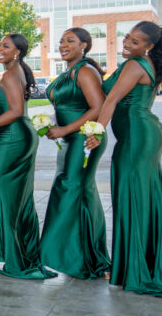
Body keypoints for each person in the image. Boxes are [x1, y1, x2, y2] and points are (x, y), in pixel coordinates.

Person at [85, 21, 162, 300]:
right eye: (127, 38)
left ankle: (137, 269)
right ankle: (141, 264)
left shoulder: (135, 65)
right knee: (144, 198)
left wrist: (97, 131)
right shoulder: (139, 63)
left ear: (149, 46)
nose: (126, 43)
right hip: (143, 134)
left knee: (132, 198)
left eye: (135, 42)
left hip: (137, 138)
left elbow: (111, 101)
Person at [0, 35, 54, 279]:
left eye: (5, 46)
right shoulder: (16, 72)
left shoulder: (11, 74)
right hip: (18, 135)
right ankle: (14, 251)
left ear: (17, 52)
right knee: (16, 196)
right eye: (0, 44)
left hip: (15, 137)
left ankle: (11, 254)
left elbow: (16, 111)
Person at [39, 27, 110, 279]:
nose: (62, 45)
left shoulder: (85, 71)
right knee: (76, 193)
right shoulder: (69, 71)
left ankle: (79, 258)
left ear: (85, 46)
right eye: (60, 41)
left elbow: (98, 107)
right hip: (70, 139)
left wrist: (66, 129)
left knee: (71, 190)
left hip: (85, 138)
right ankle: (83, 256)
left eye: (70, 41)